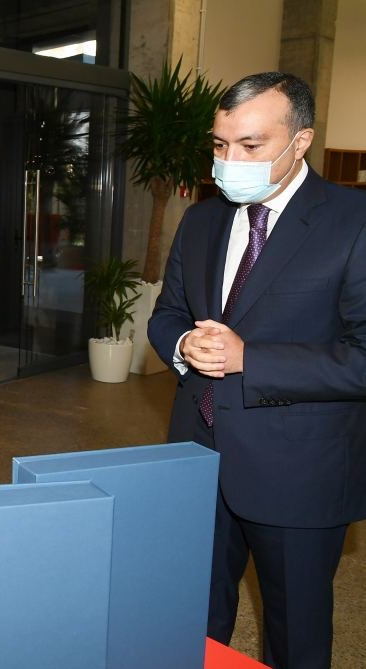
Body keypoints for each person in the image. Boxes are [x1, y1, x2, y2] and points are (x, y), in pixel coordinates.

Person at [148, 72, 366, 669]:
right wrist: (184, 342)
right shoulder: (201, 220)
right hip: (197, 458)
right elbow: (167, 314)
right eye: (219, 145)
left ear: (301, 142)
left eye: (250, 146)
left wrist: (252, 360)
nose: (229, 160)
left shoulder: (354, 221)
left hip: (298, 473)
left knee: (295, 636)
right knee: (191, 622)